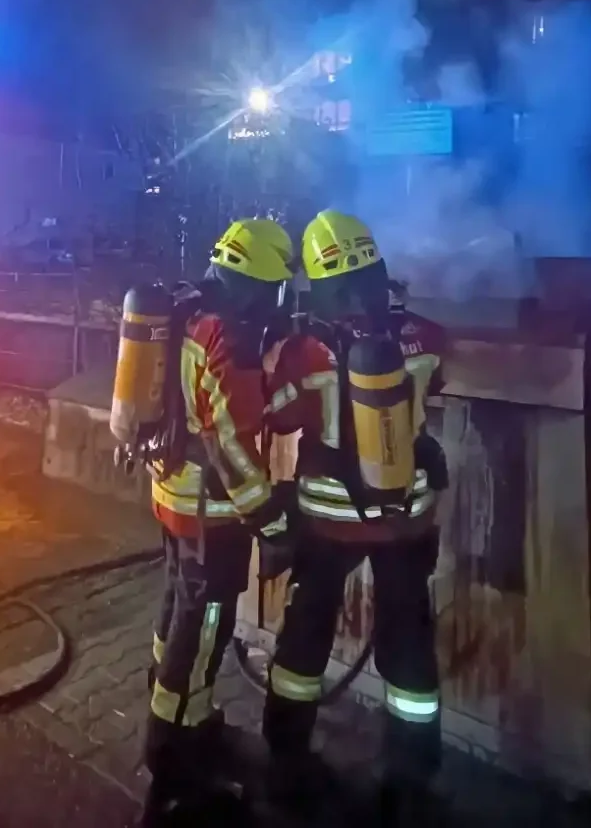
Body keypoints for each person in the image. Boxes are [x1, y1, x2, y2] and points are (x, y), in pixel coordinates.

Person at [261, 210, 448, 821]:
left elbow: (280, 416)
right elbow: (437, 379)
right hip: (405, 519)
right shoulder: (423, 336)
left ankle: (286, 761)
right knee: (408, 648)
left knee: (304, 639)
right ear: (376, 268)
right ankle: (409, 781)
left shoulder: (304, 352)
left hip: (327, 522)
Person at [141, 218, 294, 826]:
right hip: (212, 514)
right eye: (274, 288)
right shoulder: (229, 338)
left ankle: (185, 711)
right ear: (255, 285)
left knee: (177, 609)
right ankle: (175, 760)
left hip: (172, 494)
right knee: (203, 628)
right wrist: (272, 524)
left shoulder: (187, 312)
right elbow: (231, 447)